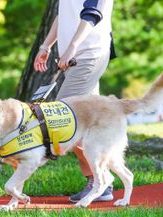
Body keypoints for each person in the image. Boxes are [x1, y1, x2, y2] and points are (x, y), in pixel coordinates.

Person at [33, 0, 115, 202]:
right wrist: (46, 45)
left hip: (88, 54)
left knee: (64, 120)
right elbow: (65, 14)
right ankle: (100, 182)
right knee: (87, 124)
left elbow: (92, 14)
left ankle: (101, 178)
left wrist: (72, 47)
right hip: (74, 58)